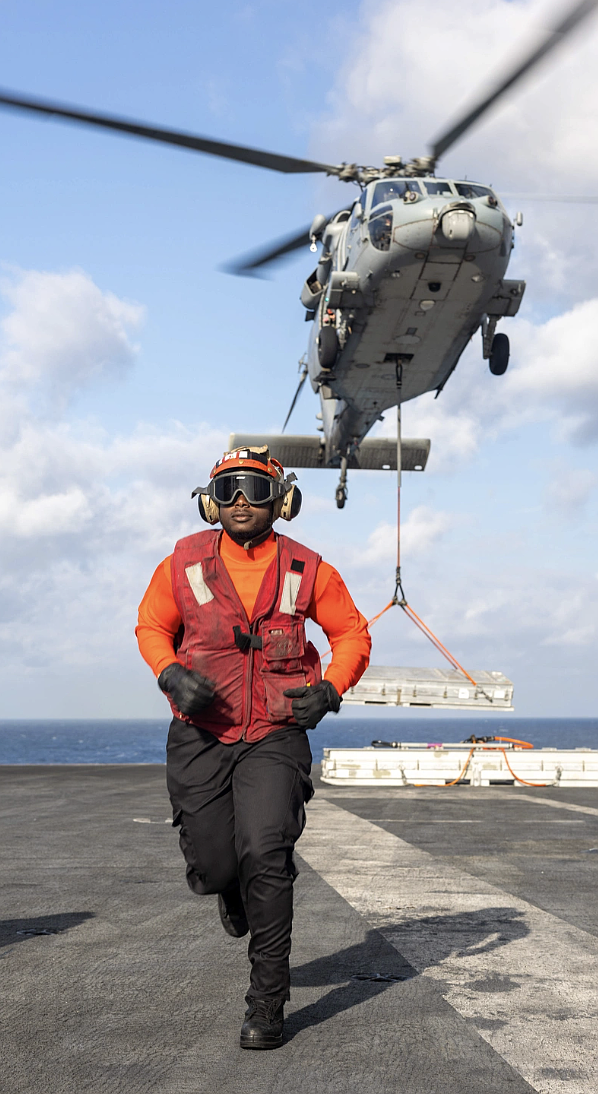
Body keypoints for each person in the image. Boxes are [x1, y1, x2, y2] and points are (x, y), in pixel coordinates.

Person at [136, 445, 370, 1049]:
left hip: (274, 731)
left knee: (266, 851)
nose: (242, 500)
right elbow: (151, 627)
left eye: (257, 489)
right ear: (211, 502)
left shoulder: (308, 569)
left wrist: (330, 688)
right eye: (230, 488)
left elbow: (351, 634)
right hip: (202, 731)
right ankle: (229, 889)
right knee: (216, 864)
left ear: (282, 500)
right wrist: (168, 672)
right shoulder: (181, 563)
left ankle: (267, 1000)